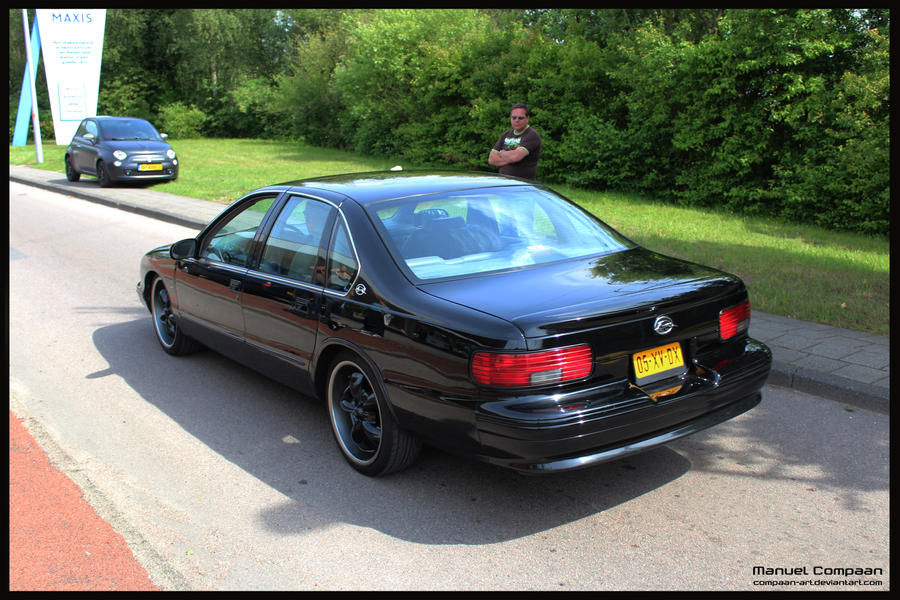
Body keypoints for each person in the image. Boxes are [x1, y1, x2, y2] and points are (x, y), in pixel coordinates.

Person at [488, 103, 542, 180]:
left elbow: (515, 157)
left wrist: (502, 153)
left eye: (520, 118)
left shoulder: (532, 135)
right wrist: (512, 158)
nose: (517, 120)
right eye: (514, 117)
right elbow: (492, 159)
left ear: (527, 118)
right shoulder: (506, 134)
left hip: (522, 184)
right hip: (503, 182)